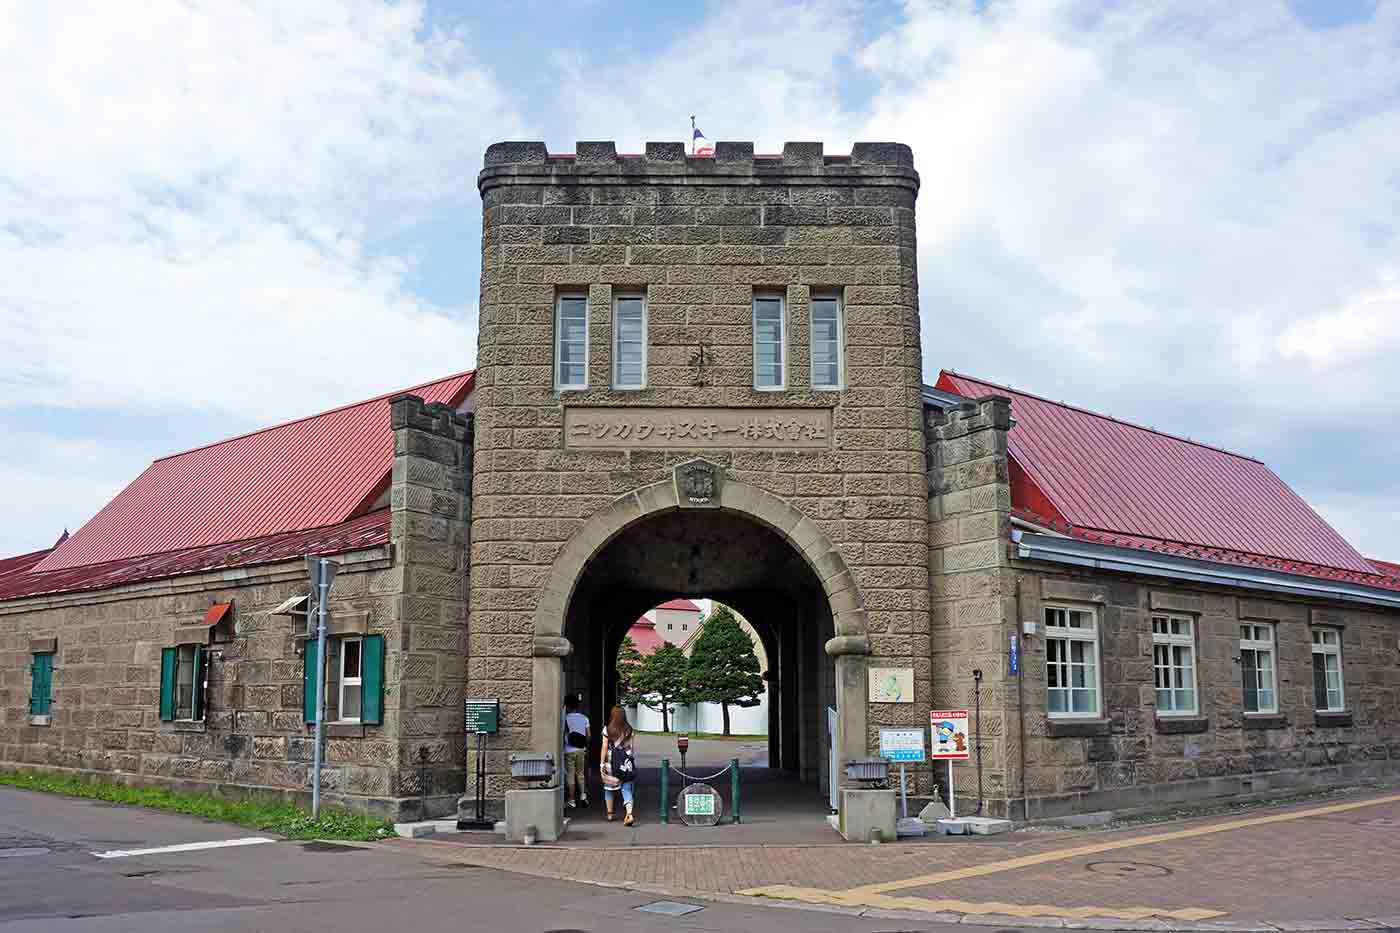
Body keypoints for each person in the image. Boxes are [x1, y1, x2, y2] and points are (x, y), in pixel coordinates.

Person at [599, 705, 636, 825]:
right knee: (626, 787)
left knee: (609, 788)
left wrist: (601, 763)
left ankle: (610, 814)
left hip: (611, 761)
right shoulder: (629, 729)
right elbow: (631, 748)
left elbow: (604, 746)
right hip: (625, 761)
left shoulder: (607, 729)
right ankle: (629, 813)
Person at [562, 693, 590, 809]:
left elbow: (563, 734)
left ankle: (572, 800)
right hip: (581, 750)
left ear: (567, 706)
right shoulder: (584, 718)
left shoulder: (565, 718)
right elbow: (589, 735)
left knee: (570, 775)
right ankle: (583, 796)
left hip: (569, 750)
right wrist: (585, 746)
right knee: (581, 774)